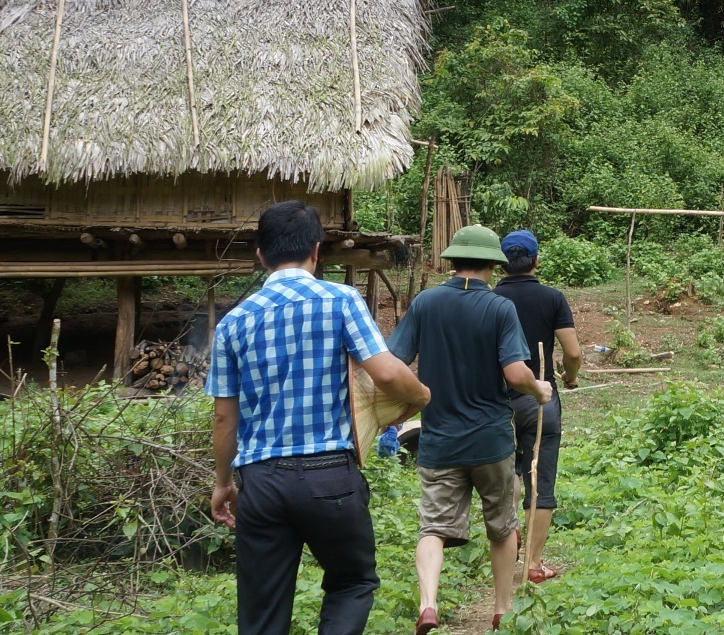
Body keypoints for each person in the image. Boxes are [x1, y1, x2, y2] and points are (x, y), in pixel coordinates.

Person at [207, 201, 430, 635]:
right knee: (351, 582)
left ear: (259, 254)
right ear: (316, 250)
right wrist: (420, 395)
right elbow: (384, 371)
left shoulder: (233, 324)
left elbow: (223, 419)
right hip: (331, 478)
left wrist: (222, 483)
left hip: (262, 481)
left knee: (262, 611)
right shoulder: (340, 300)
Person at [388, 224, 552, 634]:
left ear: (453, 259)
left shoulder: (426, 303)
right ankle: (501, 608)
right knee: (501, 526)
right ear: (493, 266)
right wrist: (540, 389)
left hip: (439, 439)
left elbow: (392, 364)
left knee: (433, 528)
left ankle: (428, 604)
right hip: (491, 439)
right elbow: (515, 373)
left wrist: (414, 399)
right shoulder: (499, 308)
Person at [494, 229, 583, 583]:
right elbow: (573, 352)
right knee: (541, 480)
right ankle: (532, 563)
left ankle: (511, 527)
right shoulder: (552, 298)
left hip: (498, 399)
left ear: (502, 262)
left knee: (511, 471)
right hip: (540, 399)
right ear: (536, 261)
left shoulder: (490, 299)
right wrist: (569, 374)